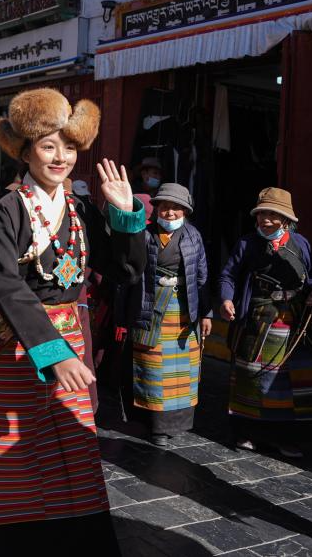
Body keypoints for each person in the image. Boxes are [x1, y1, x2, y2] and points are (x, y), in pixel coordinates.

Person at [0, 88, 147, 555]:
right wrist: (52, 353)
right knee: (3, 452)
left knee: (72, 449)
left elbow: (126, 271)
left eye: (69, 147)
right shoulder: (10, 208)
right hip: (18, 342)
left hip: (76, 337)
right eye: (49, 146)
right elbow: (6, 284)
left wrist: (126, 213)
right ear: (25, 149)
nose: (61, 157)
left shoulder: (82, 209)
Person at [219, 187, 312, 458]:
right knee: (254, 377)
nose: (265, 219)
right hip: (258, 318)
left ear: (285, 219)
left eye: (272, 214)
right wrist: (226, 299)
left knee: (295, 381)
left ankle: (287, 438)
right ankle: (248, 433)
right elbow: (229, 275)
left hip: (294, 321)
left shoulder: (301, 244)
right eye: (262, 213)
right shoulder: (247, 244)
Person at [119, 183, 211, 446]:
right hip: (151, 306)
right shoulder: (145, 234)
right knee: (153, 366)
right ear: (156, 208)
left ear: (185, 210)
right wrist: (124, 314)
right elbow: (129, 274)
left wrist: (206, 313)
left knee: (181, 371)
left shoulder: (193, 236)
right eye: (165, 206)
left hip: (183, 310)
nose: (169, 212)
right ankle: (155, 426)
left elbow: (202, 276)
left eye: (176, 207)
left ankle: (179, 423)